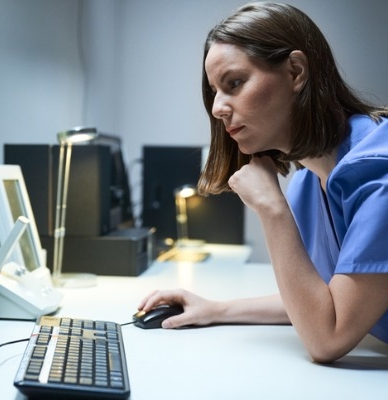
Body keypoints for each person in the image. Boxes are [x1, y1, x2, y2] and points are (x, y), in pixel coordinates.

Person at [138, 1, 388, 363]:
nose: (217, 108)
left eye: (234, 83)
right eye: (215, 91)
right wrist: (214, 310)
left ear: (296, 72)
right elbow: (323, 302)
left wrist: (271, 209)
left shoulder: (379, 176)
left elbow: (328, 337)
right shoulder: (308, 183)